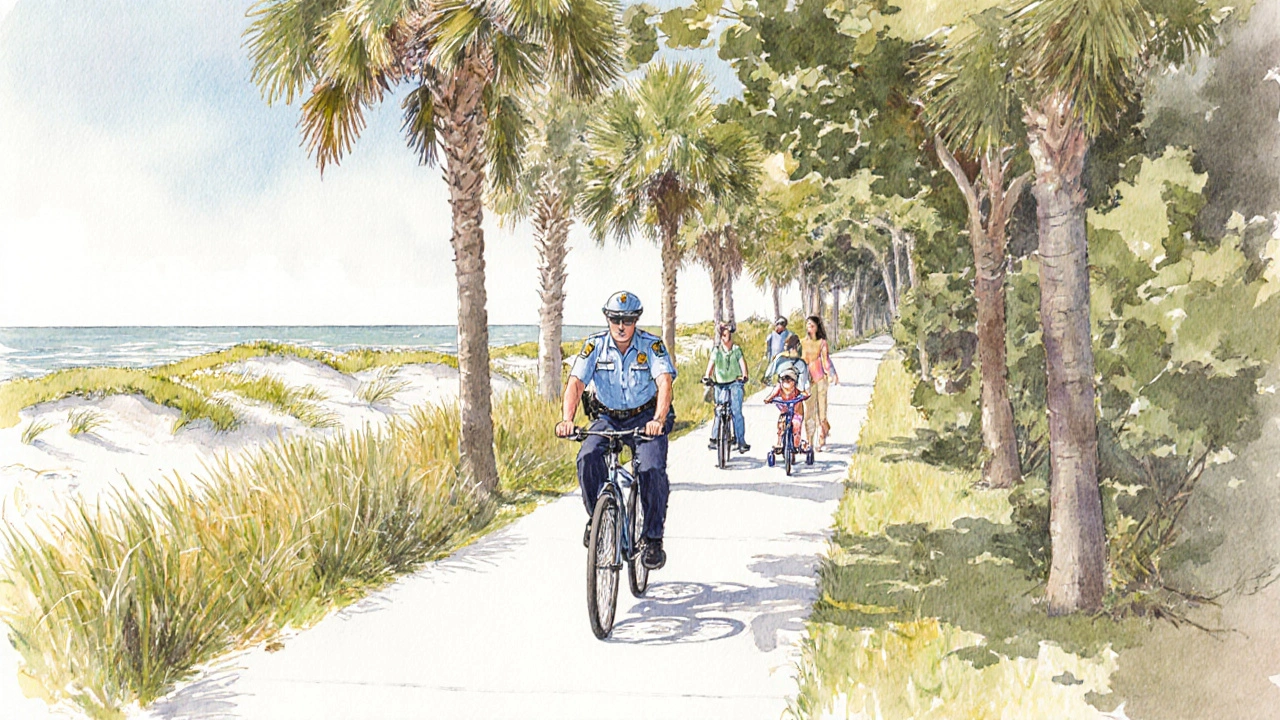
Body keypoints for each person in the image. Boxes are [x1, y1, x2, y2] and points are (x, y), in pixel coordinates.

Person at [555, 291, 676, 570]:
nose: (621, 326)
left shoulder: (651, 346)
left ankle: (654, 538)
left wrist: (658, 419)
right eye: (615, 319)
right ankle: (597, 516)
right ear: (607, 319)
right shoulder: (594, 346)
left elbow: (664, 382)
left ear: (636, 320)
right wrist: (566, 419)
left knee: (651, 469)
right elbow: (575, 384)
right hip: (607, 416)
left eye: (628, 319)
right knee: (587, 456)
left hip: (645, 416)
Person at [703, 322, 750, 453]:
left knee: (736, 412)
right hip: (720, 384)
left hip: (735, 383)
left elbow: (742, 364)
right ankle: (714, 439)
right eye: (723, 335)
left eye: (727, 335)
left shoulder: (736, 349)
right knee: (719, 411)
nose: (725, 338)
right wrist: (707, 376)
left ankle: (741, 441)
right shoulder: (716, 350)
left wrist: (744, 375)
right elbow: (711, 365)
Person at [801, 315, 839, 451]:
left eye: (812, 325)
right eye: (807, 325)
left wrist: (832, 374)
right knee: (809, 413)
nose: (809, 327)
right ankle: (810, 442)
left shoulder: (822, 342)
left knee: (822, 414)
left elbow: (826, 360)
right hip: (807, 382)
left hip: (821, 380)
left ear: (817, 327)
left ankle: (823, 432)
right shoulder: (802, 343)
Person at [764, 366, 809, 453]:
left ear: (794, 381)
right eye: (784, 379)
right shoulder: (779, 387)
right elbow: (773, 394)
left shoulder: (797, 388)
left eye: (790, 379)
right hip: (785, 411)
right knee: (781, 425)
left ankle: (796, 444)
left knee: (796, 425)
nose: (787, 381)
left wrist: (805, 395)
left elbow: (804, 393)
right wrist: (769, 398)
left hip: (796, 412)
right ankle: (780, 442)